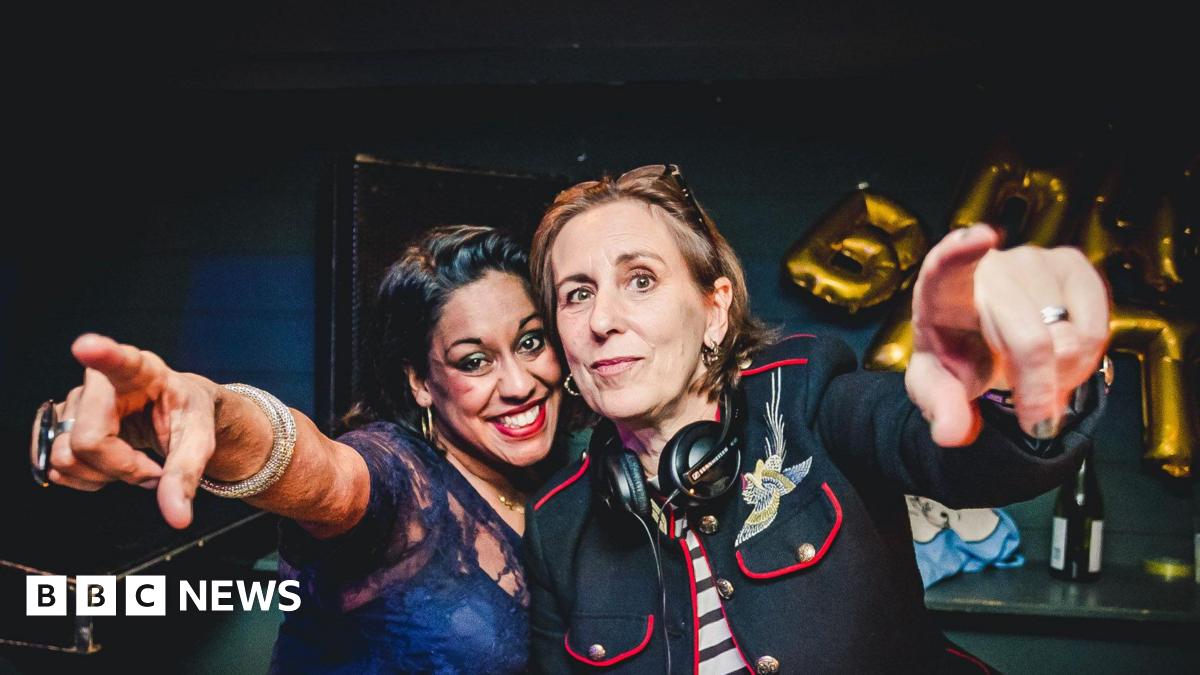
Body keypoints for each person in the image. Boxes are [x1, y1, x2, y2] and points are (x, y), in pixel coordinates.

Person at [523, 165, 1111, 673]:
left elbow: (968, 457)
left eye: (641, 280)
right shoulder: (557, 525)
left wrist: (1012, 375)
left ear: (715, 310)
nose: (601, 319)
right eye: (576, 294)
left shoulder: (809, 397)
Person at [34, 225, 566, 674]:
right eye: (474, 361)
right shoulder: (398, 476)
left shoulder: (569, 469)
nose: (520, 384)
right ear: (421, 382)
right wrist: (211, 411)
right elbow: (326, 477)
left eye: (530, 341)